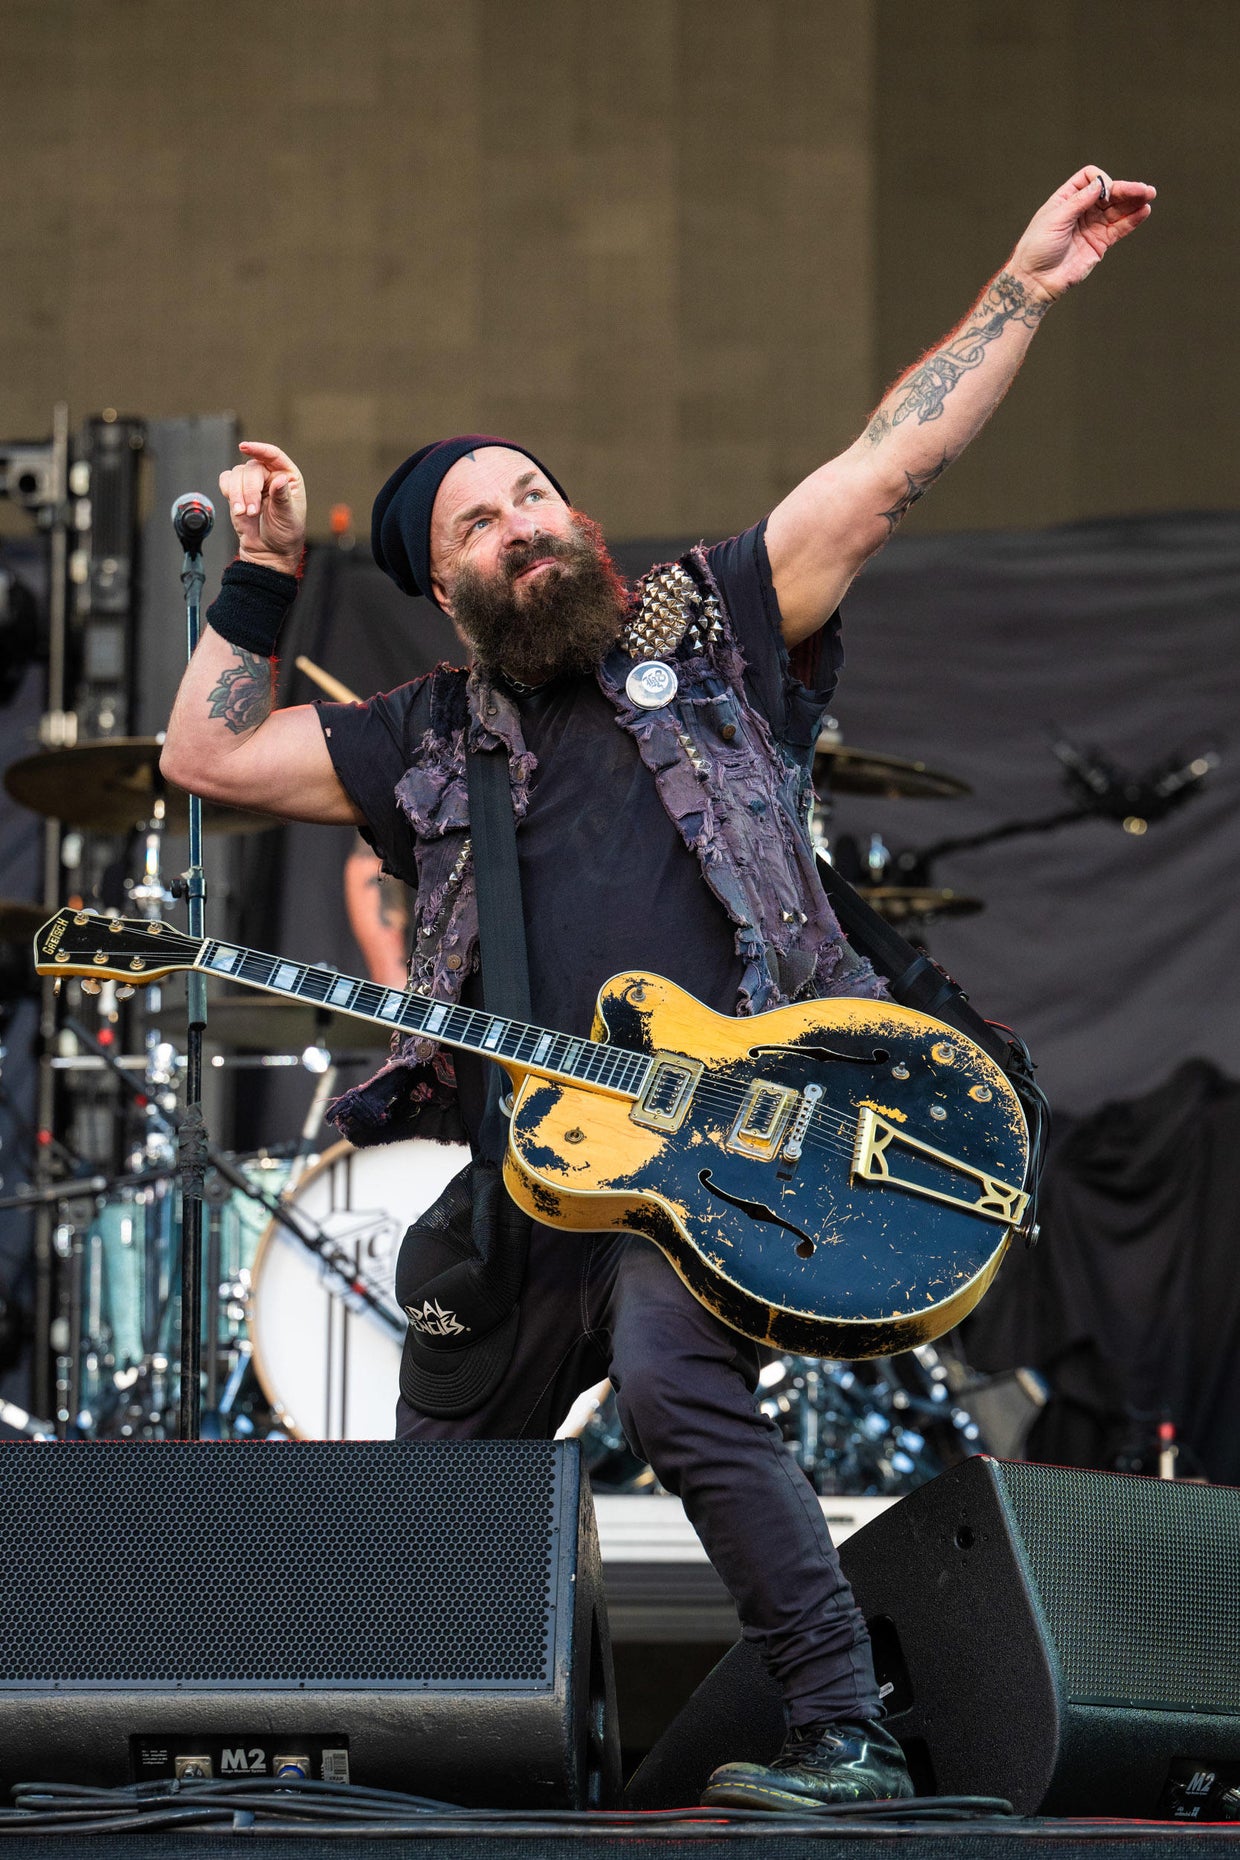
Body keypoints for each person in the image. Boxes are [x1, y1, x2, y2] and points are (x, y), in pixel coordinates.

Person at [161, 167, 1153, 1810]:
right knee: (447, 1438)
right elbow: (203, 752)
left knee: (678, 1372)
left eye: (537, 493)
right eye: (483, 521)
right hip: (542, 1168)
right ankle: (452, 1756)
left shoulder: (705, 631)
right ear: (450, 585)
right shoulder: (421, 739)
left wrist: (1025, 289)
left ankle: (850, 1733)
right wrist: (261, 575)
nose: (527, 522)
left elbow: (892, 464)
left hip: (730, 1147)